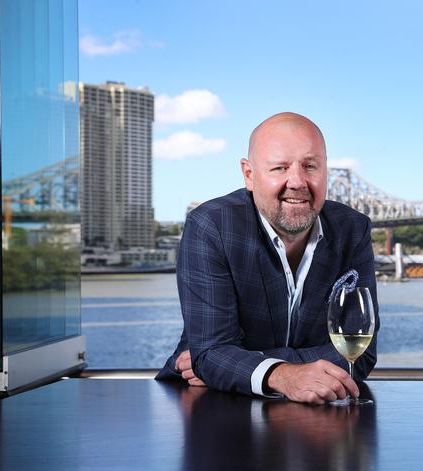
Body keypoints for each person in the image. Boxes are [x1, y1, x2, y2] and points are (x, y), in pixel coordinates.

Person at [156, 112, 379, 404]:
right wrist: (282, 375)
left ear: (326, 171)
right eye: (279, 168)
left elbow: (360, 354)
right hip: (209, 406)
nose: (297, 181)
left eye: (310, 166)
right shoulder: (211, 226)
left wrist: (241, 363)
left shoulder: (353, 229)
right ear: (249, 175)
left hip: (316, 413)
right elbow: (211, 352)